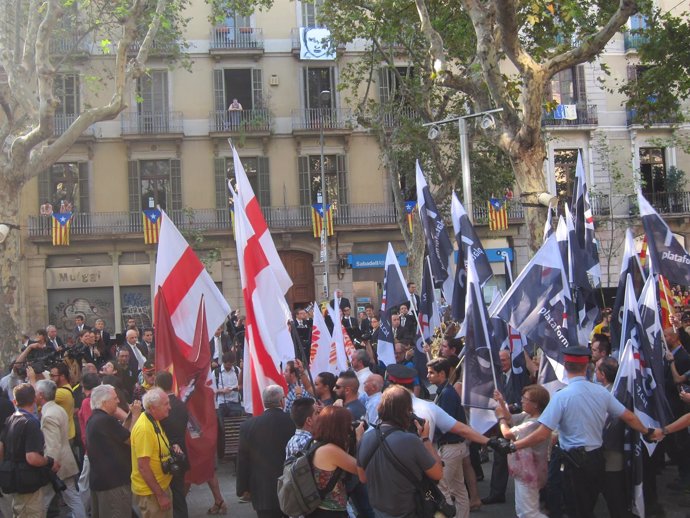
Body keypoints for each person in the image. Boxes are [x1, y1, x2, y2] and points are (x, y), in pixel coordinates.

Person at [509, 346, 656, 518]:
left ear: (565, 366)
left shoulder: (562, 396)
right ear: (587, 367)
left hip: (573, 462)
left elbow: (542, 433)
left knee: (575, 509)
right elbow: (629, 417)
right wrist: (647, 432)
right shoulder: (601, 392)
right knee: (587, 506)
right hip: (596, 458)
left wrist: (514, 445)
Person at [356, 385, 442, 518]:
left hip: (379, 513)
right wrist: (426, 440)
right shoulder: (411, 441)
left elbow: (363, 478)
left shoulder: (365, 438)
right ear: (407, 411)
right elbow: (437, 474)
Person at [0, 383, 60, 517]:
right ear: (34, 399)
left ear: (14, 401)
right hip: (28, 483)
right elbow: (32, 457)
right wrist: (49, 462)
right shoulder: (30, 423)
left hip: (14, 480)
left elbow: (1, 449)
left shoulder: (9, 420)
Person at [237, 385, 295, 518]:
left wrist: (243, 488)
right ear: (282, 401)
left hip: (262, 490)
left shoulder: (248, 426)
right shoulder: (293, 422)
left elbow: (242, 458)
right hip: (290, 487)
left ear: (264, 402)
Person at [483, 348, 532, 505]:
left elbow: (527, 397)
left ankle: (531, 494)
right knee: (499, 458)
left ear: (510, 360)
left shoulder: (520, 376)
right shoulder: (495, 377)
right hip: (500, 422)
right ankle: (497, 493)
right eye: (499, 361)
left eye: (504, 360)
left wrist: (510, 407)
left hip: (520, 421)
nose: (501, 364)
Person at [494, 386, 550, 518]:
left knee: (529, 512)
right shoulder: (527, 415)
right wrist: (501, 401)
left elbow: (507, 433)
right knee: (522, 510)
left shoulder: (535, 423)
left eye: (526, 399)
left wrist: (500, 418)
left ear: (536, 404)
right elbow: (511, 418)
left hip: (531, 472)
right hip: (523, 470)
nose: (522, 401)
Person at [87, 384, 141, 518]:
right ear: (104, 402)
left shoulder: (95, 419)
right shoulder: (104, 420)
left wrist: (129, 416)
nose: (118, 401)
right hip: (113, 485)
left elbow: (120, 434)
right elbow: (131, 439)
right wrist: (135, 416)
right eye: (115, 398)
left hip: (101, 482)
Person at [36, 379, 86, 518]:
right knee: (72, 498)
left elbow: (53, 443)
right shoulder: (58, 409)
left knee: (43, 501)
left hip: (56, 465)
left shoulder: (49, 415)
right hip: (65, 461)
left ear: (41, 395)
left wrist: (51, 463)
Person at [427, 357, 469, 518]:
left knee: (444, 490)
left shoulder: (447, 394)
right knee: (459, 489)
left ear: (442, 373)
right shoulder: (444, 392)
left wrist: (428, 436)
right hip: (455, 446)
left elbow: (445, 424)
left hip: (450, 447)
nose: (428, 375)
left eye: (432, 373)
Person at [308, 406, 364, 517]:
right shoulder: (330, 451)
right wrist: (359, 439)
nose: (350, 428)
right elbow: (360, 469)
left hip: (318, 510)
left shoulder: (314, 443)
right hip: (329, 511)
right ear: (339, 427)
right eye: (348, 424)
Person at [131, 387, 175, 518]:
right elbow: (143, 467)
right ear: (153, 408)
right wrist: (160, 495)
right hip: (152, 494)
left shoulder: (153, 420)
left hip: (159, 488)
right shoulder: (144, 429)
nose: (170, 407)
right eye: (166, 404)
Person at [155, 372, 193, 517]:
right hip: (181, 452)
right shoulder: (182, 405)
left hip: (166, 456)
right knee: (179, 495)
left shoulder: (161, 408)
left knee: (169, 495)